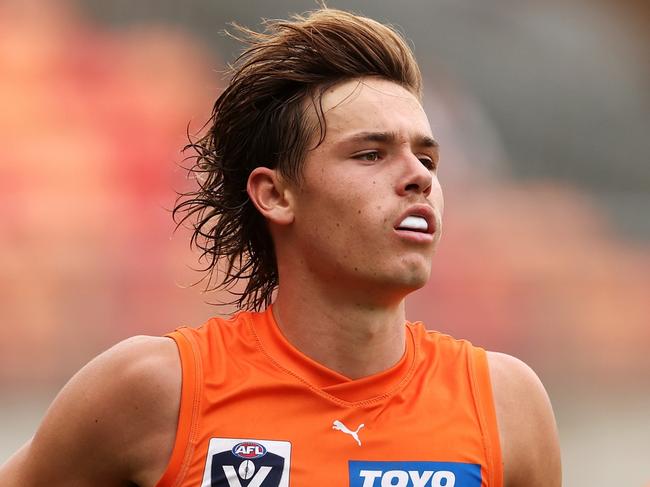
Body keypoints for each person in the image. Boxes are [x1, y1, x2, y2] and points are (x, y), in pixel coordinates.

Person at [0, 7, 561, 487]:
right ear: (275, 194)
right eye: (370, 154)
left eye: (428, 159)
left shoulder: (506, 403)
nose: (418, 177)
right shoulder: (154, 390)